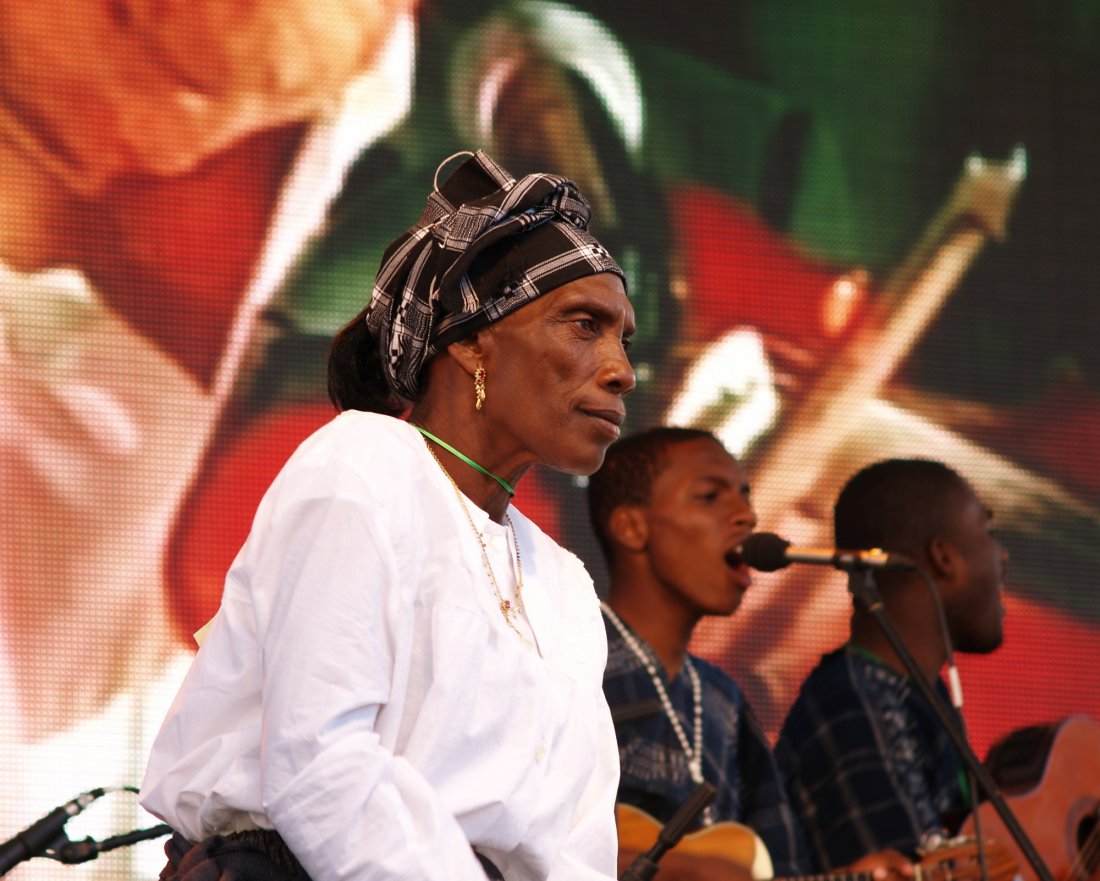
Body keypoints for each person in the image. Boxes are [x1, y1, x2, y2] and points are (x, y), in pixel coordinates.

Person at [139, 150, 635, 881]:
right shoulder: (364, 464)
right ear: (469, 340)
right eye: (584, 324)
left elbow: (577, 850)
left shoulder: (564, 583)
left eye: (625, 339)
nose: (621, 370)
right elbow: (322, 769)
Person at [587, 427, 913, 880]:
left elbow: (781, 865)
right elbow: (525, 834)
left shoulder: (724, 700)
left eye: (745, 496)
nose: (747, 516)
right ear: (631, 527)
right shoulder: (570, 654)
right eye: (710, 496)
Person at [774, 458, 1009, 869]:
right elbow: (914, 871)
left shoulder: (920, 696)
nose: (1002, 555)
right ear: (943, 557)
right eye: (988, 532)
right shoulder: (853, 702)